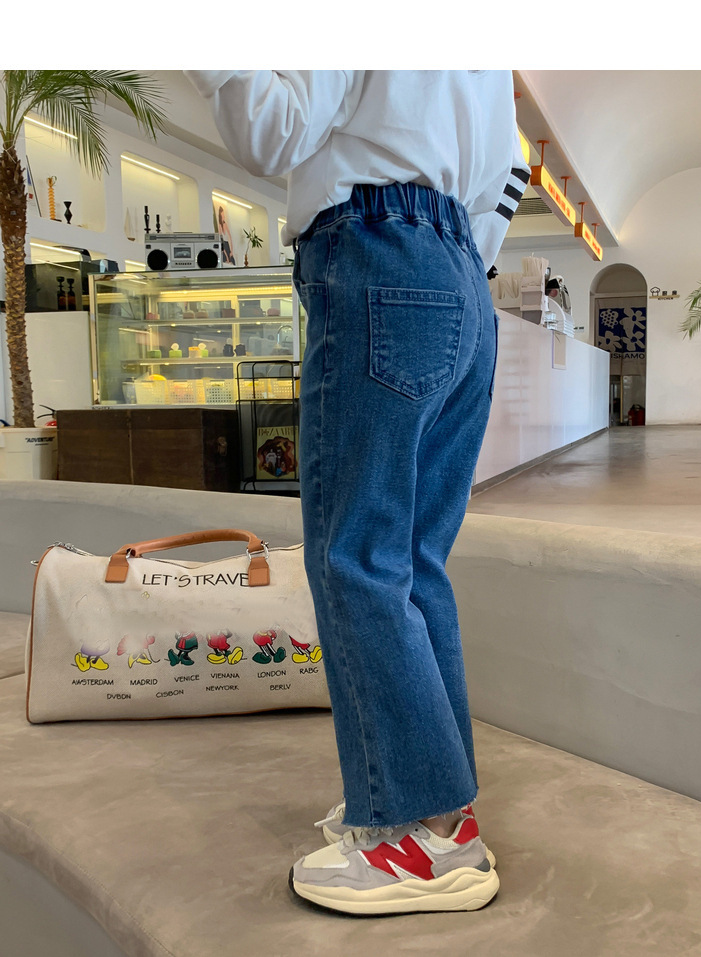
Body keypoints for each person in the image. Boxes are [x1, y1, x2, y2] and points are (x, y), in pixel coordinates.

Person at [185, 69, 529, 916]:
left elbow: (272, 129)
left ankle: (415, 831)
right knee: (410, 561)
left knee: (358, 560)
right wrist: (444, 252)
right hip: (461, 274)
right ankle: (441, 814)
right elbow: (508, 173)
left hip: (377, 253)